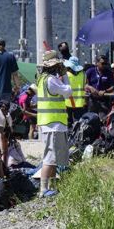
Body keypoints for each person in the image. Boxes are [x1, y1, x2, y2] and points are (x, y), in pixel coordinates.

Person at [37, 50, 72, 197]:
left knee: (54, 158)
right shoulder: (51, 80)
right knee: (50, 159)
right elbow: (68, 92)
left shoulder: (42, 79)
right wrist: (65, 77)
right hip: (54, 123)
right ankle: (44, 189)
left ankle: (51, 186)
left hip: (49, 123)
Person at [63, 56, 87, 124]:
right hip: (80, 104)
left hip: (68, 103)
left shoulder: (66, 75)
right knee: (78, 125)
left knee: (68, 124)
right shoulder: (83, 74)